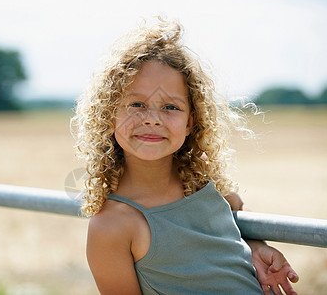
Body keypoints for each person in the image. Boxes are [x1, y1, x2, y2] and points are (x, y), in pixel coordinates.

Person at [71, 17, 299, 295]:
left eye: (170, 107)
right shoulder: (112, 226)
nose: (153, 119)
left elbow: (237, 212)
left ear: (191, 122)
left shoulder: (204, 185)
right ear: (109, 115)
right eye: (137, 104)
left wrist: (257, 246)